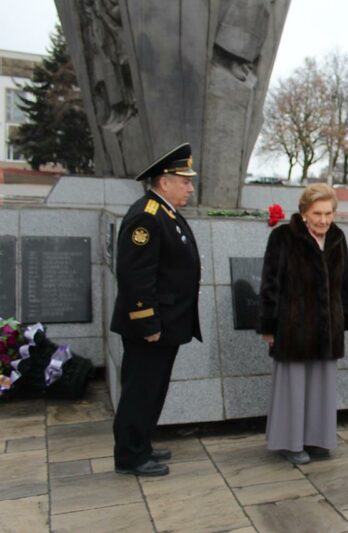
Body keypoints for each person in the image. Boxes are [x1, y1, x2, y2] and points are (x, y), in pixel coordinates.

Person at [112, 143, 201, 476]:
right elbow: (135, 276)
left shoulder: (164, 212)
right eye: (185, 181)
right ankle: (130, 456)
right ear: (165, 182)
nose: (190, 188)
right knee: (140, 391)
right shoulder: (146, 216)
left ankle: (142, 444)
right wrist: (146, 322)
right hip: (150, 327)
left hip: (168, 324)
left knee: (153, 390)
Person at [257, 183, 348, 465]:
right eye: (317, 214)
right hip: (293, 327)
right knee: (293, 387)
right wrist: (268, 326)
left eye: (329, 213)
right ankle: (289, 443)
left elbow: (346, 282)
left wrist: (346, 319)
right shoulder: (282, 237)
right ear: (304, 213)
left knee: (321, 387)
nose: (324, 220)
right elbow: (270, 284)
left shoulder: (338, 237)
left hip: (328, 328)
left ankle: (317, 439)